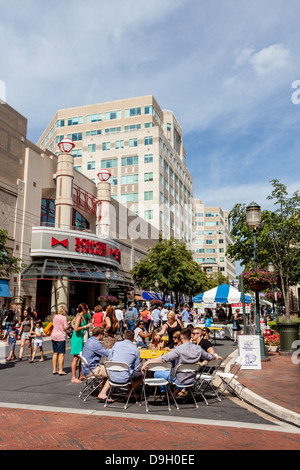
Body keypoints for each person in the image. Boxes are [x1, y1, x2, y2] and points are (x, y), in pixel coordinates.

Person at [142, 328, 215, 394]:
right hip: (191, 377)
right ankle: (172, 393)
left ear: (181, 337)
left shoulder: (179, 349)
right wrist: (214, 356)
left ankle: (166, 392)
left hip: (179, 378)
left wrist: (149, 361)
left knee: (157, 373)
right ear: (190, 337)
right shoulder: (198, 348)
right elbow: (210, 357)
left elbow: (164, 358)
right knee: (178, 373)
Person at [99, 330, 143, 402]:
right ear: (133, 339)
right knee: (141, 374)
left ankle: (103, 392)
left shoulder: (116, 344)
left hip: (113, 375)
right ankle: (130, 393)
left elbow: (110, 358)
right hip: (125, 376)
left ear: (124, 337)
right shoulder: (135, 350)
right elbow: (136, 367)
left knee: (116, 371)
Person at [70, 303, 93, 383]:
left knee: (80, 357)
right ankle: (73, 377)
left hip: (81, 338)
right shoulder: (79, 316)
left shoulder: (81, 316)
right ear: (84, 309)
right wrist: (85, 326)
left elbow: (72, 323)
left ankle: (81, 375)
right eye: (87, 308)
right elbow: (76, 328)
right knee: (76, 357)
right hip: (77, 339)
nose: (88, 310)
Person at [50, 305, 70, 375]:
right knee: (61, 354)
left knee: (55, 353)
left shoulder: (55, 316)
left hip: (54, 335)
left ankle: (54, 369)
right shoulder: (63, 317)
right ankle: (61, 370)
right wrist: (68, 324)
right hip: (60, 336)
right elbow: (65, 327)